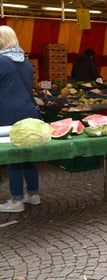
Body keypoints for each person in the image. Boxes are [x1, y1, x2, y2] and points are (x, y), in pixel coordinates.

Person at [0, 25, 42, 213]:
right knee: (28, 154)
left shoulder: (1, 61)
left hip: (8, 113)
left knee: (13, 156)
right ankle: (33, 194)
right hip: (28, 111)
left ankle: (16, 200)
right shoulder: (24, 61)